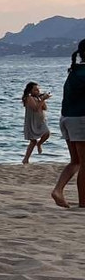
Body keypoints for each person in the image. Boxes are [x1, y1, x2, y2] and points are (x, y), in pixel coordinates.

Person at [52, 39, 85, 208]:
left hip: (66, 118)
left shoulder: (74, 71)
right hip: (80, 119)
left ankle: (58, 190)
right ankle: (83, 202)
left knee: (76, 161)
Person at [21, 82, 51, 164]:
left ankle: (39, 144)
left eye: (38, 90)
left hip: (40, 121)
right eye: (35, 90)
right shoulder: (29, 98)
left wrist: (43, 99)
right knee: (33, 141)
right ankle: (26, 159)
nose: (37, 91)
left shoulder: (38, 98)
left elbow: (45, 108)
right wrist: (43, 99)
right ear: (30, 91)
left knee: (47, 133)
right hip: (32, 121)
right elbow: (35, 108)